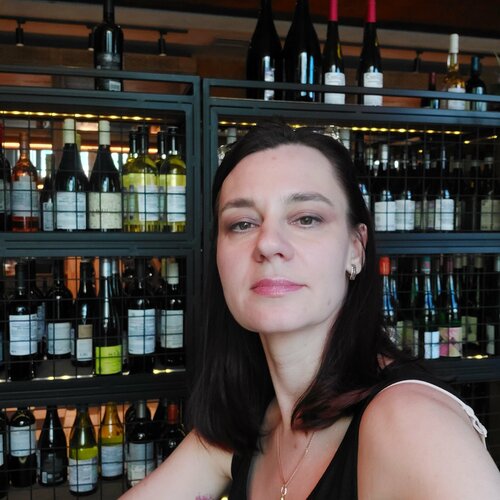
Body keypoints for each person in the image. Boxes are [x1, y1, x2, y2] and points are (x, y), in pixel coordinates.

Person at [121, 121, 500, 499]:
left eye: (306, 219)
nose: (268, 244)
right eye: (242, 224)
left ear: (355, 249)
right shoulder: (250, 420)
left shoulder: (411, 423)